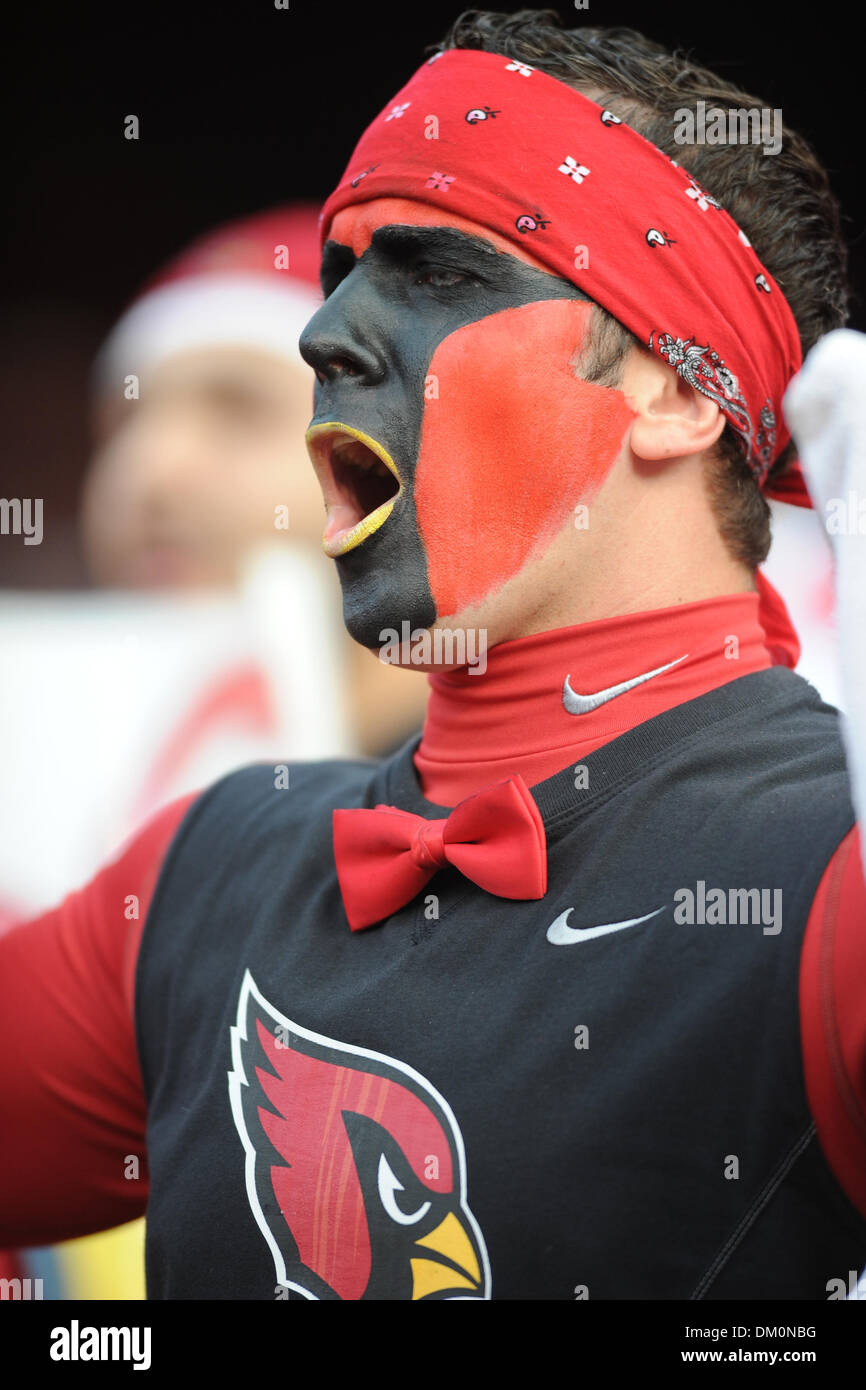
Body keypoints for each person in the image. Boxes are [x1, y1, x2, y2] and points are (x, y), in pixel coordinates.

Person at [0, 10, 864, 1300]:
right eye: (341, 271)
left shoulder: (830, 867)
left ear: (675, 391)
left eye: (438, 275)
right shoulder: (209, 867)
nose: (323, 333)